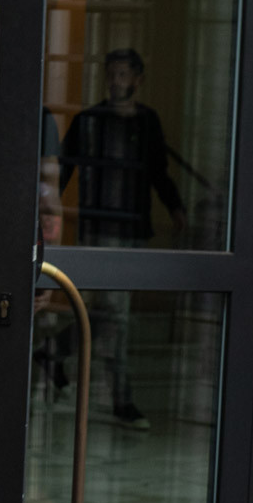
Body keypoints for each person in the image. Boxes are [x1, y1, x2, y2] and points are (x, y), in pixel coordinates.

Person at [61, 49, 186, 429]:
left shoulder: (148, 122)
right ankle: (122, 400)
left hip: (133, 231)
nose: (115, 81)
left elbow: (158, 173)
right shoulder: (89, 121)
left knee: (106, 313)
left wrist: (176, 208)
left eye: (122, 75)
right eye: (111, 74)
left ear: (137, 80)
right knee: (118, 318)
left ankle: (51, 353)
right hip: (99, 231)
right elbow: (62, 171)